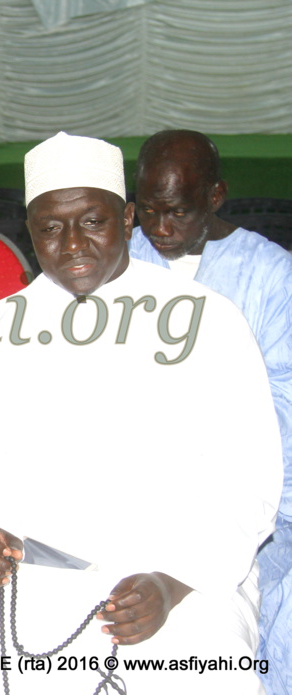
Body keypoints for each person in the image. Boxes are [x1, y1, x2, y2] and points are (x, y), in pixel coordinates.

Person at [0, 132, 281, 694]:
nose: (72, 243)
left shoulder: (208, 320)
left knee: (204, 669)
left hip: (168, 573)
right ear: (30, 233)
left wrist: (172, 583)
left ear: (126, 217)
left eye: (92, 221)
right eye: (51, 227)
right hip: (23, 574)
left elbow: (246, 480)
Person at [128, 129, 292, 694]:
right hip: (137, 492)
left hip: (257, 499)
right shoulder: (122, 264)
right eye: (147, 211)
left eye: (176, 211)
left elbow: (283, 408)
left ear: (216, 197)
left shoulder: (271, 275)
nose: (160, 228)